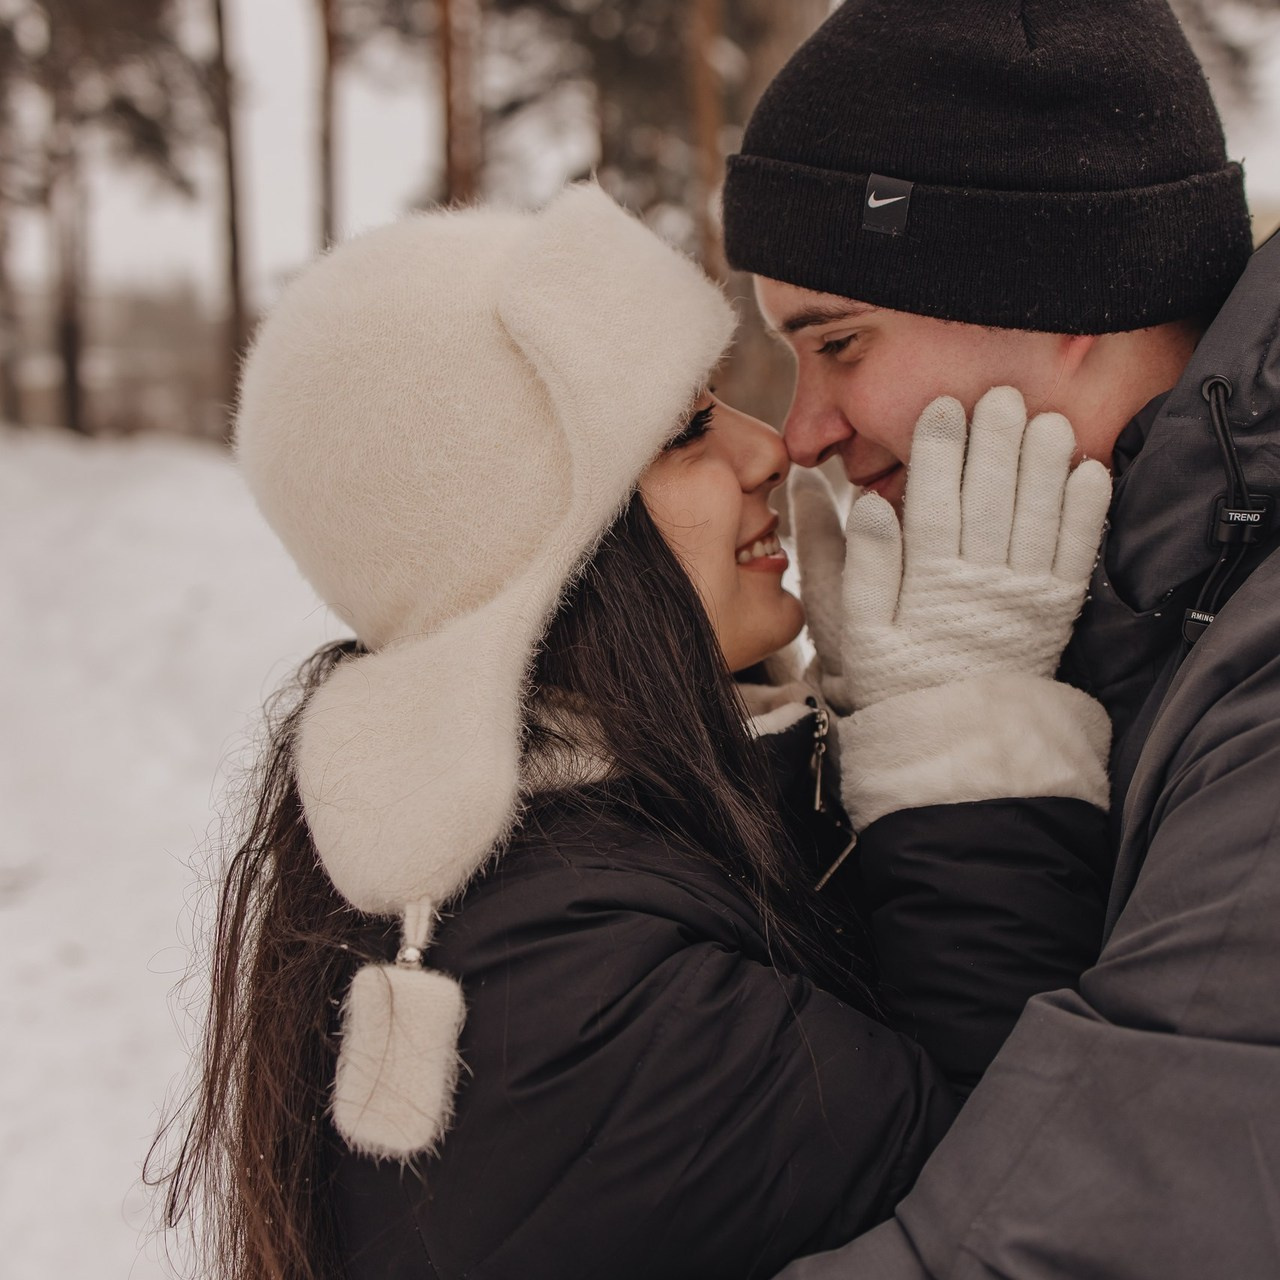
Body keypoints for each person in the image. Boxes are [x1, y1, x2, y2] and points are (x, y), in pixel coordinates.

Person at [151, 185, 1114, 1280]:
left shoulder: (585, 852)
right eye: (684, 428)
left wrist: (864, 735)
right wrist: (960, 767)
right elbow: (1034, 1208)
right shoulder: (566, 994)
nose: (770, 449)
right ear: (545, 554)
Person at [718, 2, 1280, 1276]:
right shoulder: (1137, 590)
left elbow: (1088, 1230)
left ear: (1055, 290)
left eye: (838, 342)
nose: (799, 431)